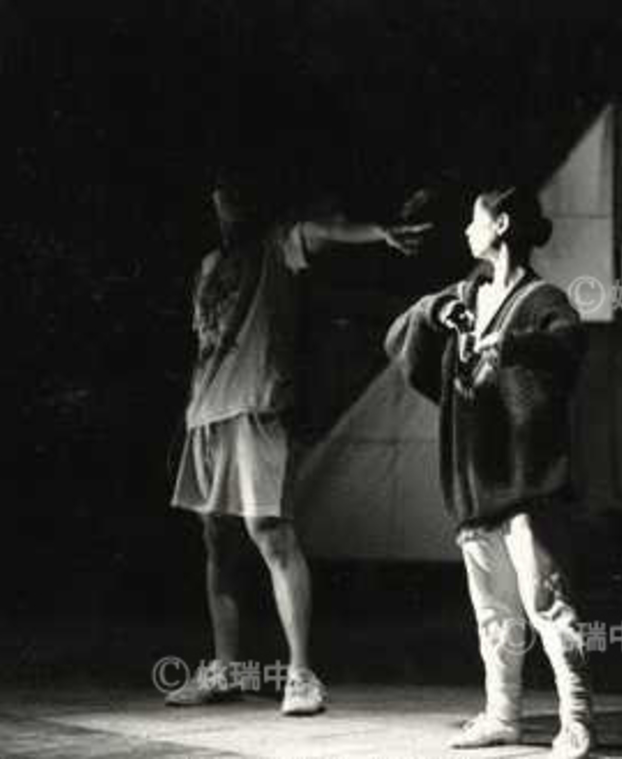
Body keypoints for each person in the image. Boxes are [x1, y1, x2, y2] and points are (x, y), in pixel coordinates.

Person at [166, 180, 428, 716]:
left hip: (257, 406)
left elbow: (325, 230)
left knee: (270, 532)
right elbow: (204, 343)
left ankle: (302, 674)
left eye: (236, 190)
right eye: (220, 192)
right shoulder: (209, 264)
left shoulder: (278, 245)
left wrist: (381, 231)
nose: (227, 201)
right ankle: (225, 667)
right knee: (217, 542)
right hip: (206, 415)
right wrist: (188, 416)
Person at [385, 187, 594, 758]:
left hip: (525, 478)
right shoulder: (465, 294)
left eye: (474, 221)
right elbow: (401, 334)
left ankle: (577, 718)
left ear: (500, 225)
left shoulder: (541, 298)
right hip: (475, 476)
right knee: (494, 614)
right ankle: (503, 716)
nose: (465, 231)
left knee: (546, 603)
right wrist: (436, 311)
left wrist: (514, 346)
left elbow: (570, 344)